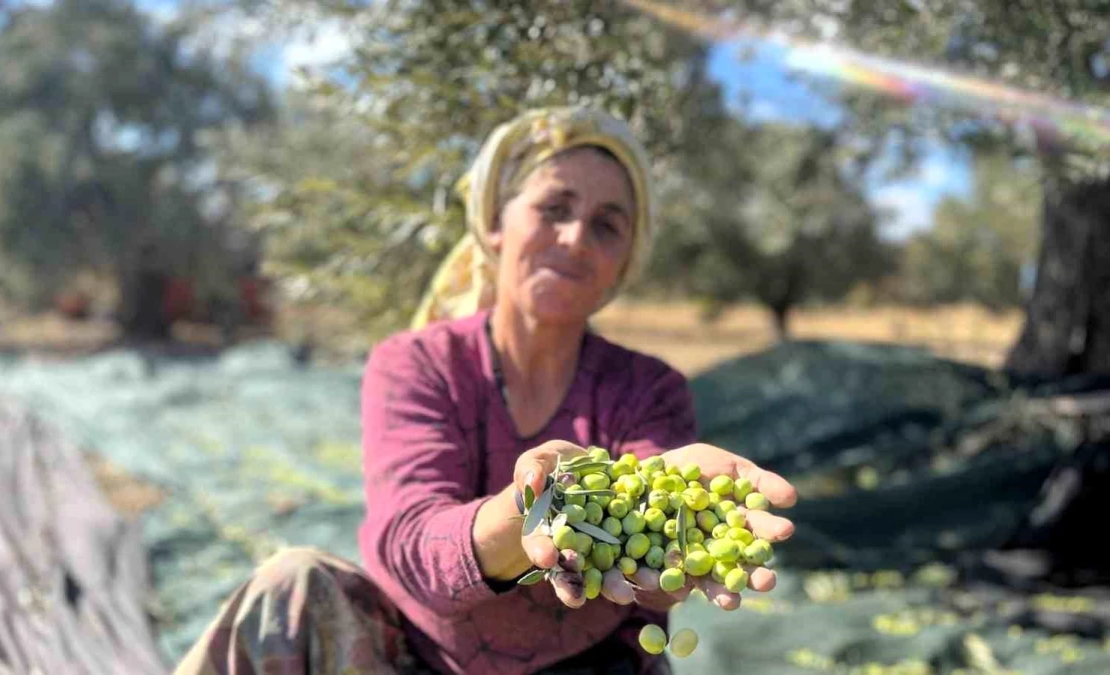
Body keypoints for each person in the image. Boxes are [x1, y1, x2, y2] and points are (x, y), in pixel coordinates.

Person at [171, 106, 797, 675]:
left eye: (607, 225)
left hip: (583, 666)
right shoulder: (420, 363)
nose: (576, 236)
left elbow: (652, 554)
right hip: (413, 660)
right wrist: (527, 512)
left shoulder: (646, 388)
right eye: (555, 208)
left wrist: (680, 542)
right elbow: (408, 542)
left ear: (625, 259)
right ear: (497, 223)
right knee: (291, 583)